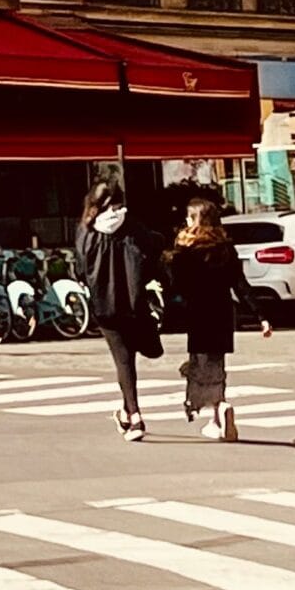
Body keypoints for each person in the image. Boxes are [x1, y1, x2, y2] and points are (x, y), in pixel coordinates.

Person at [168, 195, 268, 441]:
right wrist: (261, 315)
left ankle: (216, 410)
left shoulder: (186, 249)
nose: (186, 221)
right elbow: (240, 285)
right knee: (216, 364)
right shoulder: (225, 248)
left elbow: (176, 284)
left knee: (200, 365)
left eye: (190, 216)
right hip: (222, 313)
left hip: (197, 314)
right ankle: (218, 412)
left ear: (196, 219)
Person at [74, 178, 163, 439]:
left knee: (123, 359)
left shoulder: (86, 231)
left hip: (104, 305)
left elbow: (81, 269)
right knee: (129, 359)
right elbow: (152, 251)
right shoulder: (133, 227)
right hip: (133, 302)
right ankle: (128, 413)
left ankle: (134, 416)